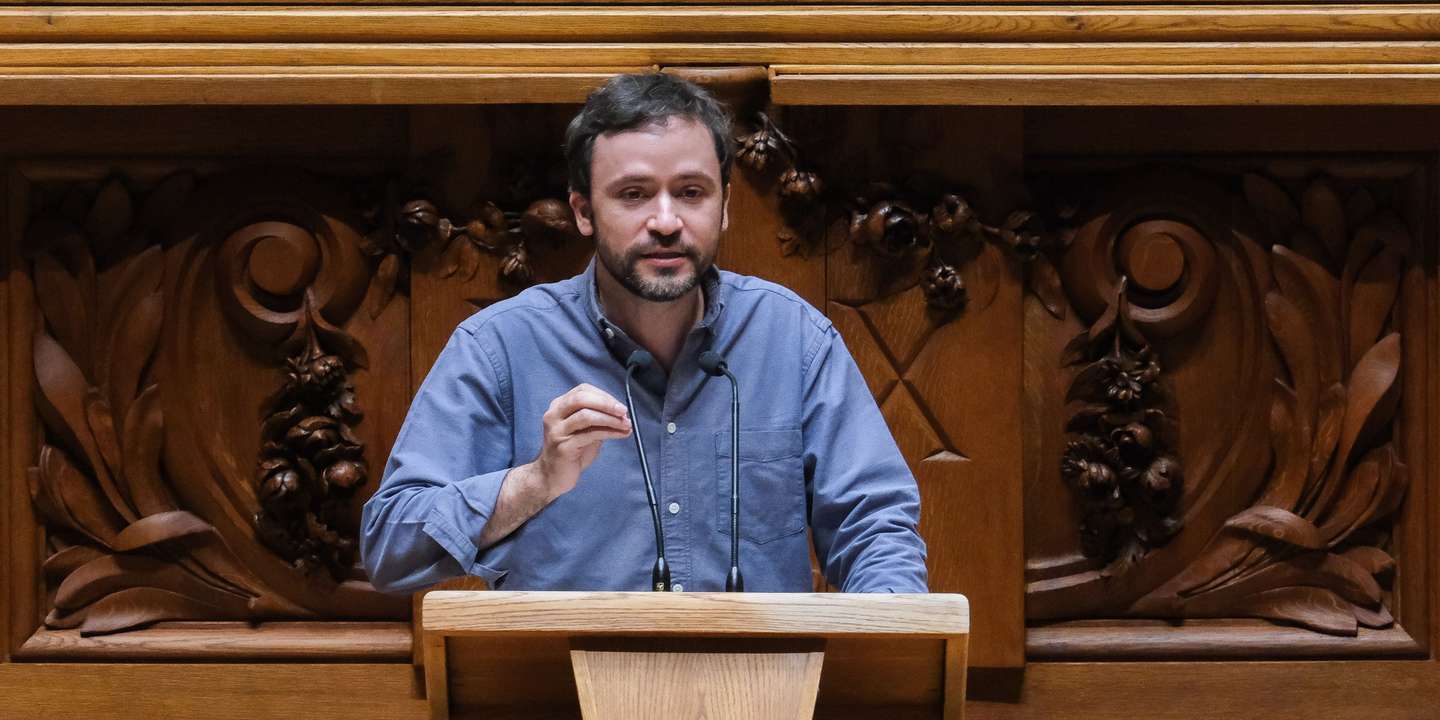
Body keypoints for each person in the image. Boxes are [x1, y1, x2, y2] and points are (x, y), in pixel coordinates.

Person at [360, 73, 927, 594]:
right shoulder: (500, 347)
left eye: (691, 192)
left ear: (725, 206)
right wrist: (534, 482)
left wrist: (886, 641)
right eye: (633, 194)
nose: (665, 221)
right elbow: (390, 548)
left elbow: (875, 526)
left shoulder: (794, 340)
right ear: (583, 212)